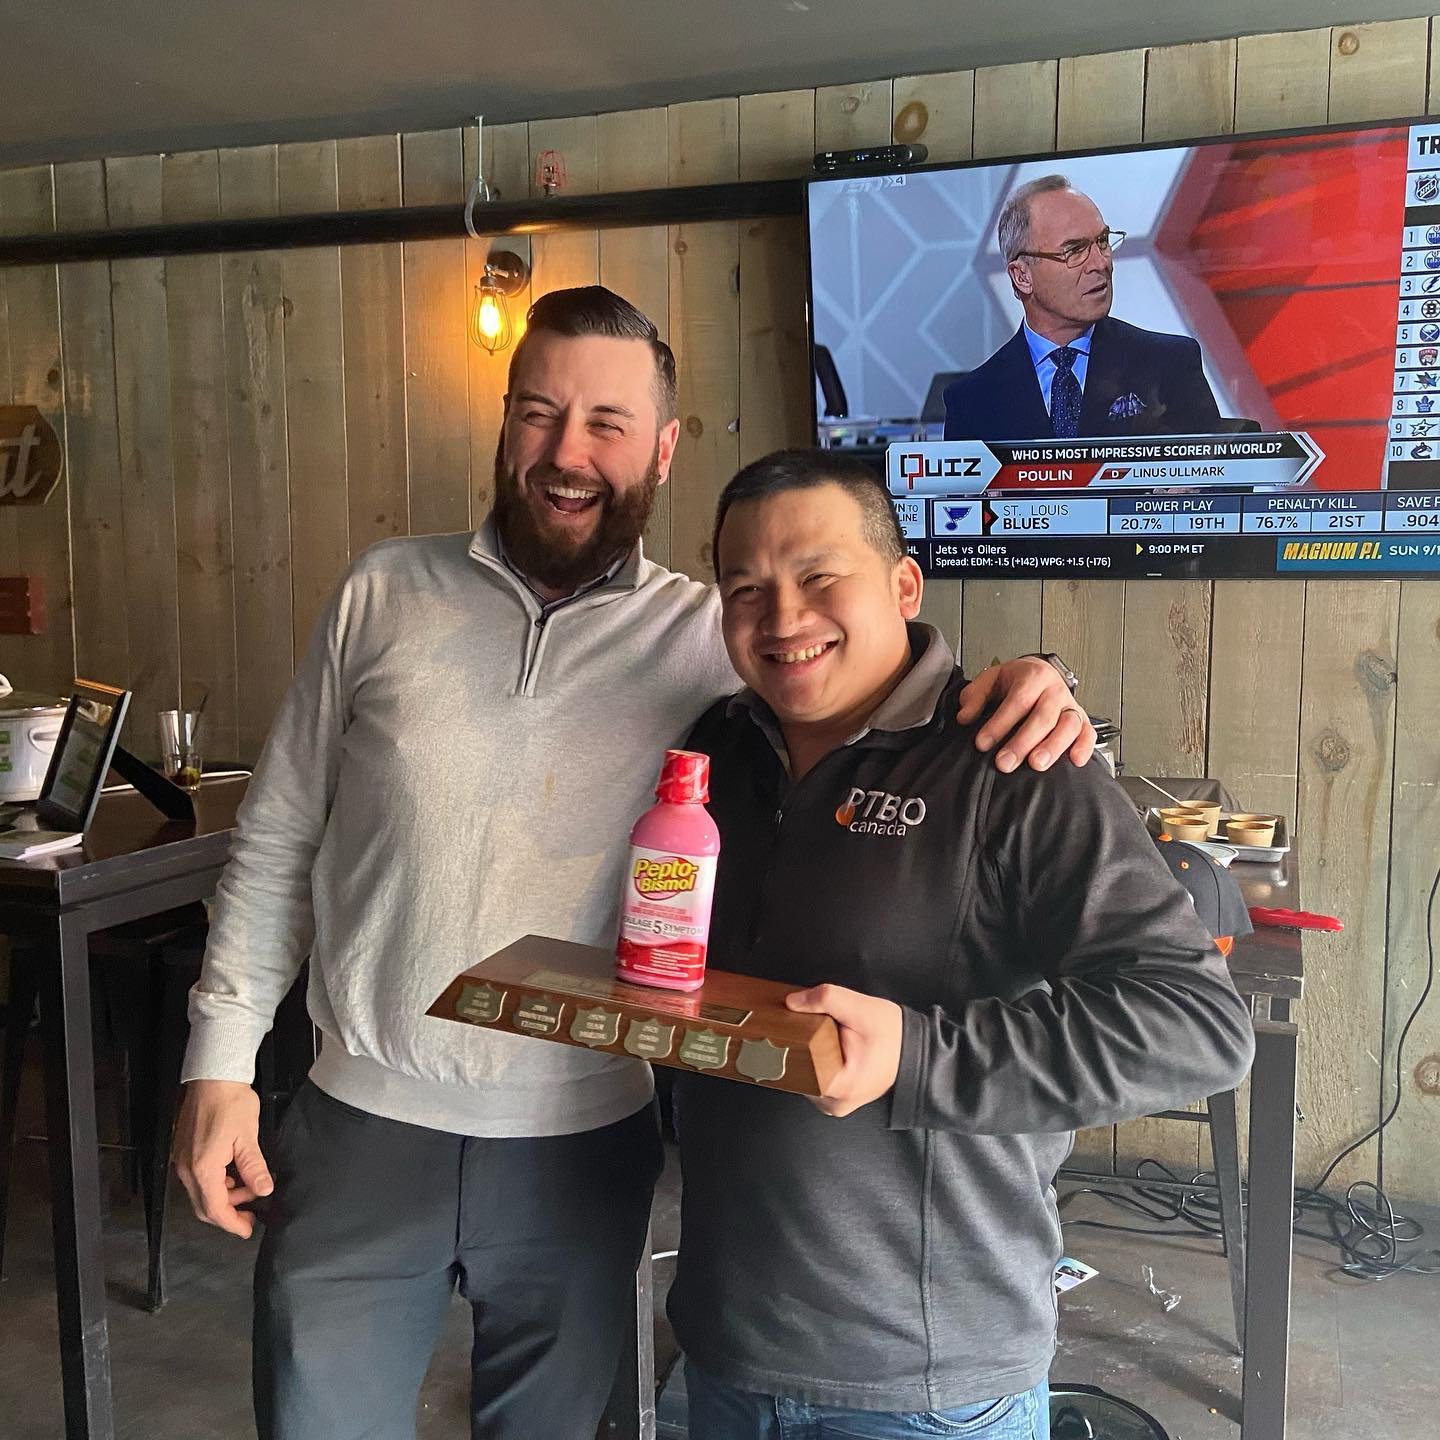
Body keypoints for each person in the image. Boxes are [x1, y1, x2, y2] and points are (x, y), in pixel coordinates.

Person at [171, 288, 1093, 1440]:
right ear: (505, 424)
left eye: (607, 423)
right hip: (358, 1120)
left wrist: (1029, 682)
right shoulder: (381, 595)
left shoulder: (718, 636)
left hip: (583, 1142)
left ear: (661, 449)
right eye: (539, 414)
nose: (567, 454)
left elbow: (862, 678)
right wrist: (218, 1065)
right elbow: (277, 837)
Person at [669, 448, 1255, 1438]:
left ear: (904, 585)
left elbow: (1197, 1025)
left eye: (820, 578)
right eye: (744, 589)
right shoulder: (713, 752)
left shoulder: (1014, 761)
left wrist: (919, 1055)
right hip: (725, 1352)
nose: (781, 617)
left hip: (929, 1386)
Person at [944, 174, 1224, 441]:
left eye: (1102, 241)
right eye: (1074, 250)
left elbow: (1223, 480)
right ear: (1022, 276)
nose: (1101, 263)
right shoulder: (973, 401)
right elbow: (960, 492)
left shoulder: (1170, 364)